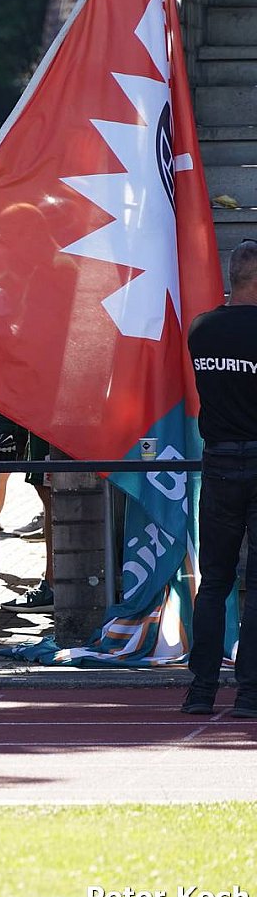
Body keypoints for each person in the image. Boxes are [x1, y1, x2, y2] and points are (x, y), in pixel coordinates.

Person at [183, 240, 257, 717]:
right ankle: (250, 694)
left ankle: (201, 690)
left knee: (213, 582)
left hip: (219, 463)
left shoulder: (202, 329)